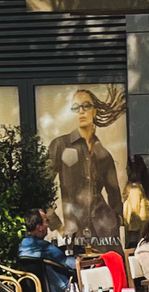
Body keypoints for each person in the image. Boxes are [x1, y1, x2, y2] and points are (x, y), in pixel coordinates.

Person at [46, 87, 127, 248]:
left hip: (104, 234)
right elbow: (40, 189)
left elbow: (115, 197)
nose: (81, 111)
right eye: (76, 108)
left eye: (86, 106)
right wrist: (58, 226)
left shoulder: (103, 154)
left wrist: (116, 227)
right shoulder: (60, 145)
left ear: (94, 111)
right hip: (75, 235)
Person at [16, 211, 76, 292]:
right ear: (39, 227)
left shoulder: (23, 246)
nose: (48, 225)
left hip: (36, 289)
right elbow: (69, 263)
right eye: (46, 221)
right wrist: (80, 261)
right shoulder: (45, 248)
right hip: (57, 289)